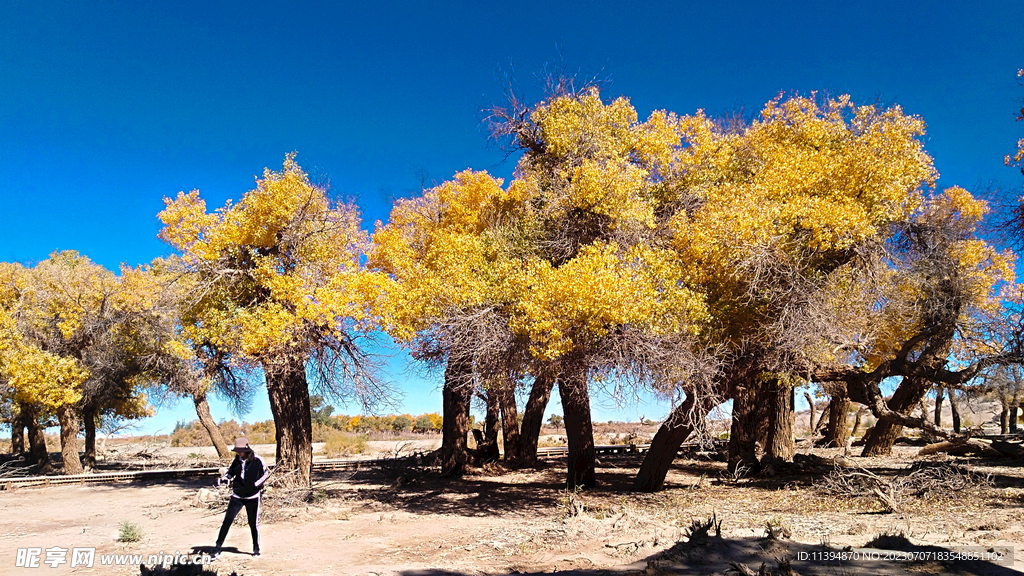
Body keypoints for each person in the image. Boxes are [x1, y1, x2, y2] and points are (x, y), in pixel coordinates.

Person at [214, 438, 269, 557]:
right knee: (227, 520)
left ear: (247, 450)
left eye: (241, 451)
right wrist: (226, 479)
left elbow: (266, 474)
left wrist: (256, 484)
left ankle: (256, 547)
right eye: (237, 451)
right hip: (237, 495)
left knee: (253, 523)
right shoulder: (236, 461)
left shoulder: (257, 460)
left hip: (252, 496)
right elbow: (230, 473)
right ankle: (218, 546)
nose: (239, 453)